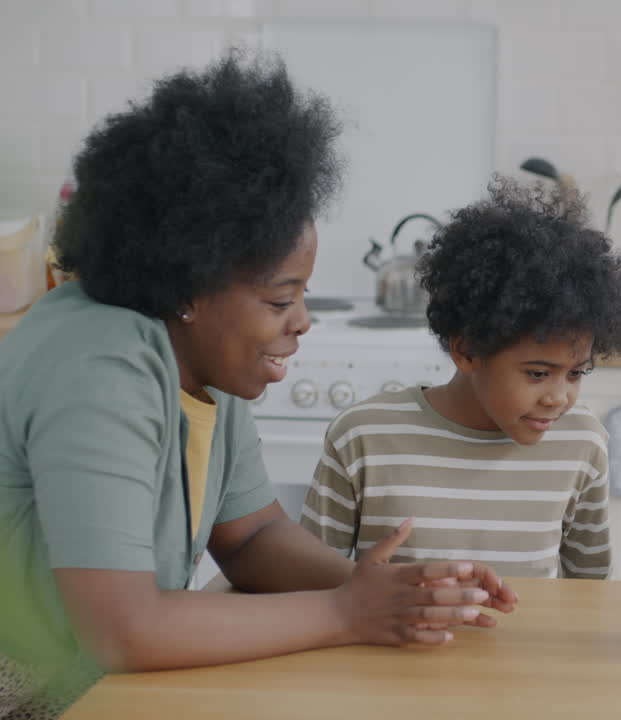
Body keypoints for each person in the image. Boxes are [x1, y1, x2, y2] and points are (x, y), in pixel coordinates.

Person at [0, 54, 515, 718]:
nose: (301, 324)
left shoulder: (201, 357)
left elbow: (249, 538)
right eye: (280, 302)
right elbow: (122, 631)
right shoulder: (100, 364)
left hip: (91, 683)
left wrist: (384, 586)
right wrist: (346, 613)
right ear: (190, 287)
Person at [300, 178, 621, 580]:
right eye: (537, 373)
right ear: (466, 351)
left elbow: (590, 592)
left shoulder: (581, 442)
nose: (558, 397)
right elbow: (309, 580)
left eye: (576, 374)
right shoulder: (363, 436)